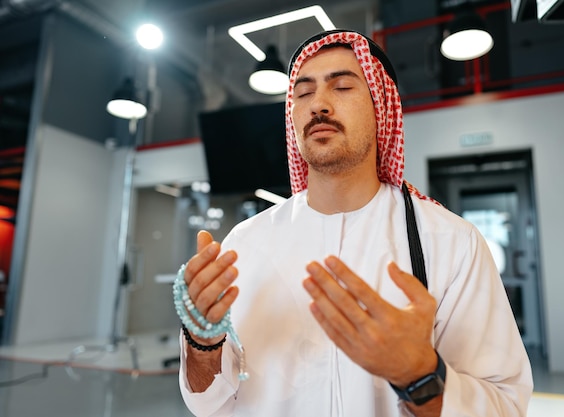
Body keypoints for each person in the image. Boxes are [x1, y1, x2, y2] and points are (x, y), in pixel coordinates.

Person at [176, 30, 533, 417]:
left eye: (343, 86)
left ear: (381, 106)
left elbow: (504, 406)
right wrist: (202, 340)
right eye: (303, 93)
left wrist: (420, 374)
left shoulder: (450, 242)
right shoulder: (245, 243)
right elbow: (207, 403)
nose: (319, 105)